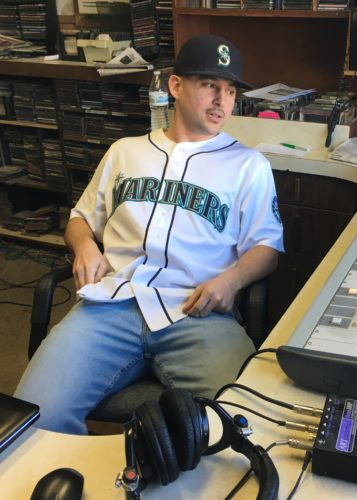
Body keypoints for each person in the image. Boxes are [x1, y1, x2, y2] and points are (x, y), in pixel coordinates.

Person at [15, 34, 284, 435]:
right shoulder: (125, 150)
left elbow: (268, 247)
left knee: (250, 427)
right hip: (110, 307)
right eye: (210, 85)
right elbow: (80, 217)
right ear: (176, 86)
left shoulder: (249, 165)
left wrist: (233, 280)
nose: (221, 101)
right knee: (32, 419)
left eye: (230, 90)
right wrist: (85, 245)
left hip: (198, 313)